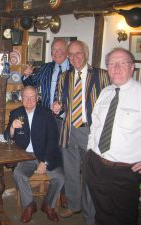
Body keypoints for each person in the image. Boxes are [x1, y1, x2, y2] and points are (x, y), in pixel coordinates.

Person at [52, 40, 110, 225]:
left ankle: (90, 214)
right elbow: (60, 103)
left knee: (91, 174)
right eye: (71, 54)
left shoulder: (101, 75)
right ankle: (74, 204)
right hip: (69, 130)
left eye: (78, 53)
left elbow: (109, 105)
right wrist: (57, 107)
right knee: (70, 172)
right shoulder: (64, 77)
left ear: (85, 53)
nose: (75, 57)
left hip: (90, 131)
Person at [85, 48, 141, 225]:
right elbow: (95, 125)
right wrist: (89, 152)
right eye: (111, 64)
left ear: (132, 67)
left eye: (121, 63)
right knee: (102, 214)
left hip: (124, 171)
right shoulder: (105, 92)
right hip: (96, 165)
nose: (115, 68)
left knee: (124, 217)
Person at [4, 86, 64, 223]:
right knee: (18, 174)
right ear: (21, 98)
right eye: (26, 96)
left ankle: (48, 205)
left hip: (45, 155)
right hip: (25, 156)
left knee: (60, 178)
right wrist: (12, 127)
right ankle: (29, 205)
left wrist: (45, 162)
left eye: (32, 97)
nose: (29, 100)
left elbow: (53, 139)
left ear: (37, 99)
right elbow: (7, 136)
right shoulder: (15, 113)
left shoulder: (46, 113)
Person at [23, 38, 71, 208]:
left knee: (64, 155)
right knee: (45, 147)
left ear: (67, 51)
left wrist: (63, 107)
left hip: (66, 119)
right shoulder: (46, 67)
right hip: (46, 116)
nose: (56, 52)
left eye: (60, 49)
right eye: (54, 50)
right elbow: (32, 86)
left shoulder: (73, 70)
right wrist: (27, 76)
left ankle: (63, 192)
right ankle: (46, 177)